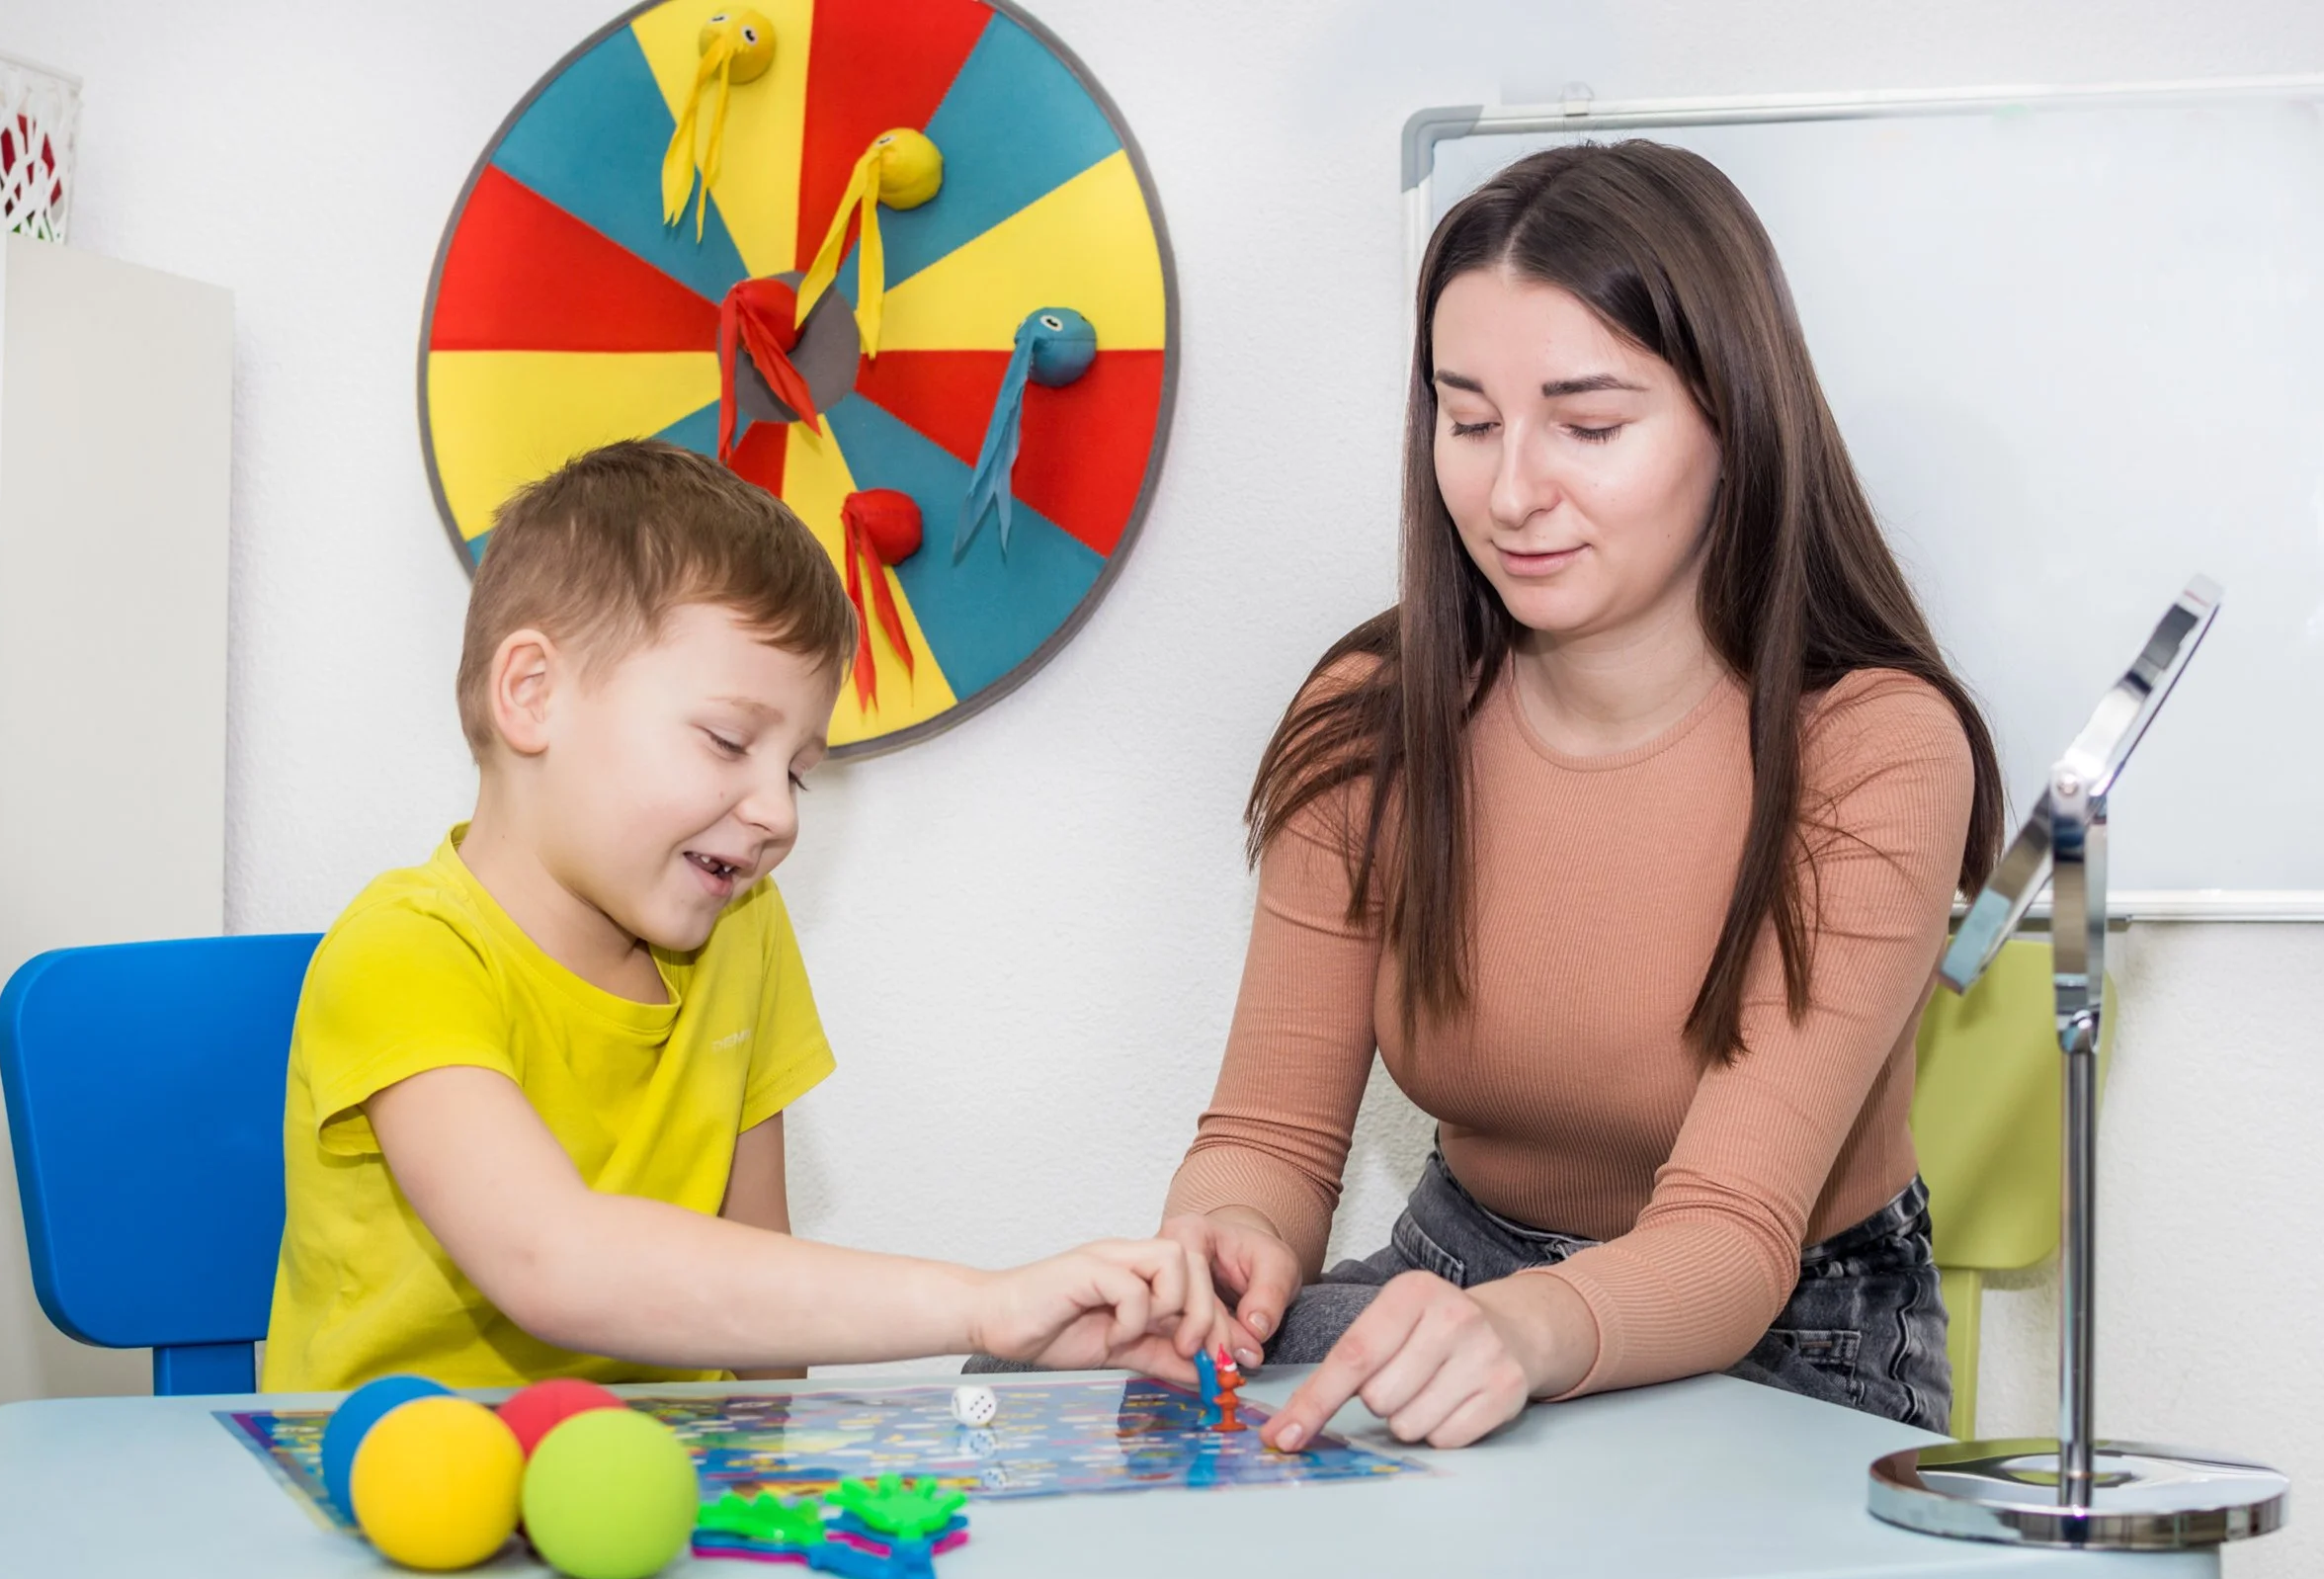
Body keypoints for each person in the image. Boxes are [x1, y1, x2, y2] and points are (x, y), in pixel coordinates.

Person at [1159, 141, 2004, 1451]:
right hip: (1453, 1278)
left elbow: (1727, 1237)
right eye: (1471, 419)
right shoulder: (1371, 715)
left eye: (1590, 426)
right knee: (1082, 1402)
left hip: (1794, 1329)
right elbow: (1267, 1138)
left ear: (1735, 418)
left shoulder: (1877, 745)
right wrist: (1225, 1243)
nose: (1510, 492)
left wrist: (1525, 1327)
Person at [264, 442, 1212, 1391]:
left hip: (659, 1493)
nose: (778, 811)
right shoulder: (404, 949)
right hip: (393, 1488)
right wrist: (983, 1304)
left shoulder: (743, 925)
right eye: (728, 741)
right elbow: (551, 1260)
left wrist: (773, 1498)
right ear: (533, 694)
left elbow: (758, 1295)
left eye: (797, 770)